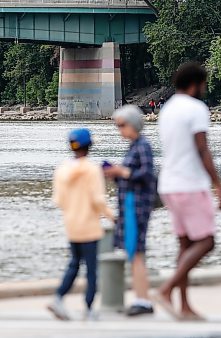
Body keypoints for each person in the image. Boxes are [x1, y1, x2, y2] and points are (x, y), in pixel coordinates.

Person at [156, 62, 221, 320]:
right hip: (190, 184)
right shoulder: (197, 109)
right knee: (206, 241)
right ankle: (166, 290)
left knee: (184, 246)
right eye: (204, 84)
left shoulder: (168, 109)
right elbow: (202, 148)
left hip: (168, 185)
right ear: (196, 84)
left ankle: (184, 306)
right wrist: (218, 185)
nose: (205, 88)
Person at [49, 128, 114, 321]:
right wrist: (112, 216)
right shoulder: (92, 170)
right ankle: (88, 307)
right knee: (92, 269)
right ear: (89, 147)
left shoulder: (62, 170)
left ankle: (59, 297)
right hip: (90, 226)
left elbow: (58, 200)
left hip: (72, 225)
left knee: (74, 264)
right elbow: (98, 200)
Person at [104, 105, 156, 317]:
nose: (120, 130)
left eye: (122, 125)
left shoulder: (142, 146)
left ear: (133, 124)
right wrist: (115, 173)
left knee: (136, 252)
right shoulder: (135, 146)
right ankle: (141, 298)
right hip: (129, 204)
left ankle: (143, 300)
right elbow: (132, 174)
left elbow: (146, 174)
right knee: (134, 252)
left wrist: (121, 171)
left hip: (137, 205)